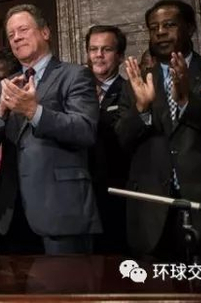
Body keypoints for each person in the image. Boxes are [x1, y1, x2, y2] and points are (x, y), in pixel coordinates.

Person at [116, 0, 201, 263]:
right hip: (153, 215)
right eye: (154, 28)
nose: (160, 32)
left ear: (191, 28)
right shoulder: (137, 82)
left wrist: (188, 102)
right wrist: (141, 109)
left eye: (169, 25)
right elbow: (121, 140)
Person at [0, 4, 101, 255]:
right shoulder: (5, 86)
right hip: (11, 213)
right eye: (11, 35)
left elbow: (84, 130)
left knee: (67, 281)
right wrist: (1, 110)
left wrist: (34, 112)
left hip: (61, 211)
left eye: (23, 30)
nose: (16, 38)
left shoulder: (75, 75)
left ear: (45, 32)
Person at [85, 25, 129, 254]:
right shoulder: (76, 92)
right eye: (93, 49)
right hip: (81, 197)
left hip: (115, 194)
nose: (98, 55)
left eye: (106, 49)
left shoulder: (131, 91)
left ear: (120, 56)